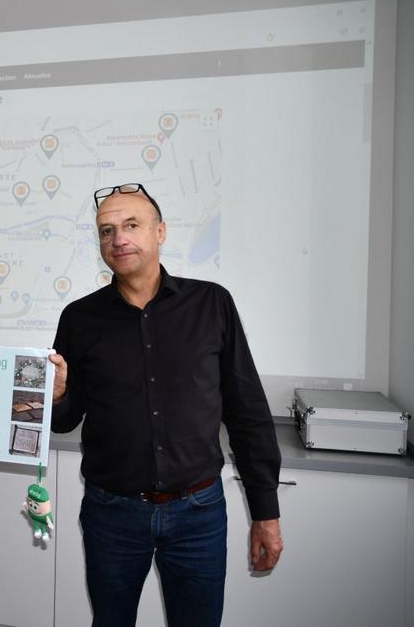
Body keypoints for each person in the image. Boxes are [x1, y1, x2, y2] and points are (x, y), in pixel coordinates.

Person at [49, 184, 283, 627]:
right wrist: (57, 395)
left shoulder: (212, 303)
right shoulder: (78, 318)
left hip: (199, 513)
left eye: (131, 225)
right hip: (111, 514)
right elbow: (66, 419)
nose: (118, 239)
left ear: (160, 232)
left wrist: (265, 511)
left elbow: (247, 411)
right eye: (106, 231)